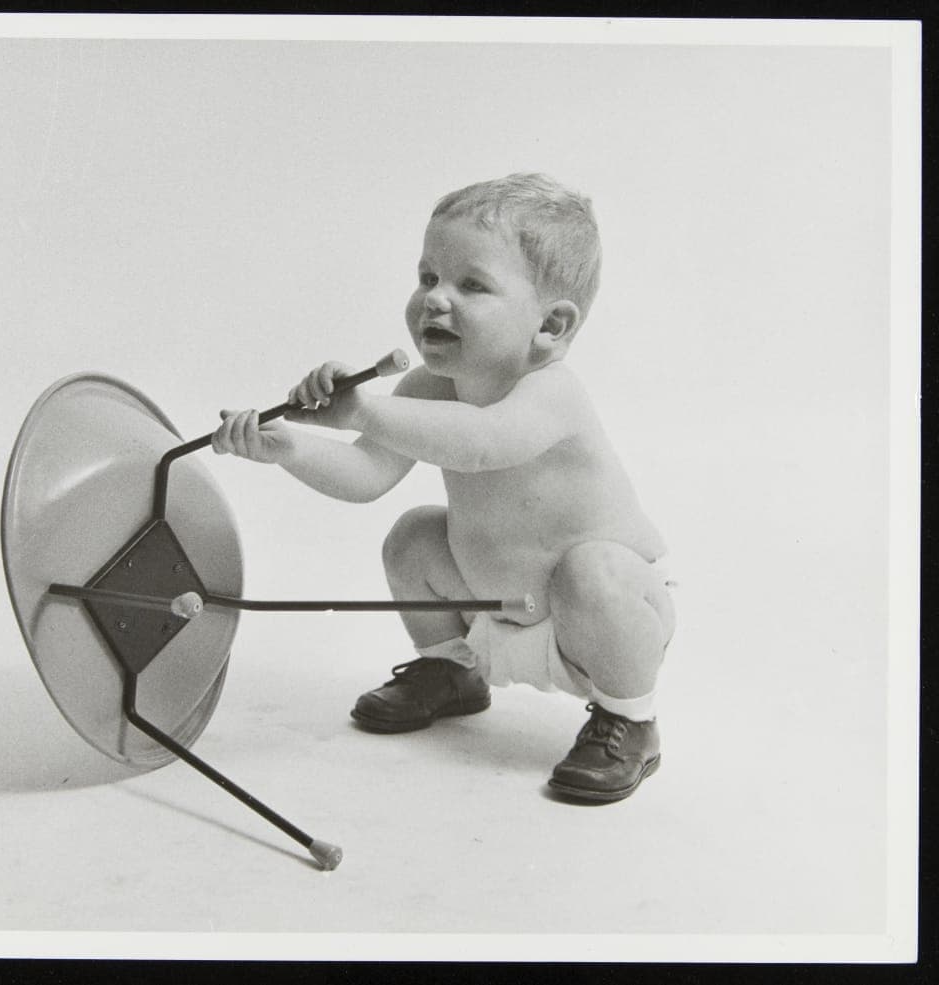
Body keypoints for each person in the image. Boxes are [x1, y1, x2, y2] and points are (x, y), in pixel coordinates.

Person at [211, 173, 675, 803]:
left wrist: (363, 412)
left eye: (471, 285)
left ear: (551, 326)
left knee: (596, 570)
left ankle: (629, 719)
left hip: (595, 624)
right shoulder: (427, 389)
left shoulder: (551, 393)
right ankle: (452, 671)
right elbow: (367, 476)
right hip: (492, 614)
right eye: (428, 277)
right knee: (414, 537)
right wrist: (287, 446)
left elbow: (482, 442)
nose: (434, 299)